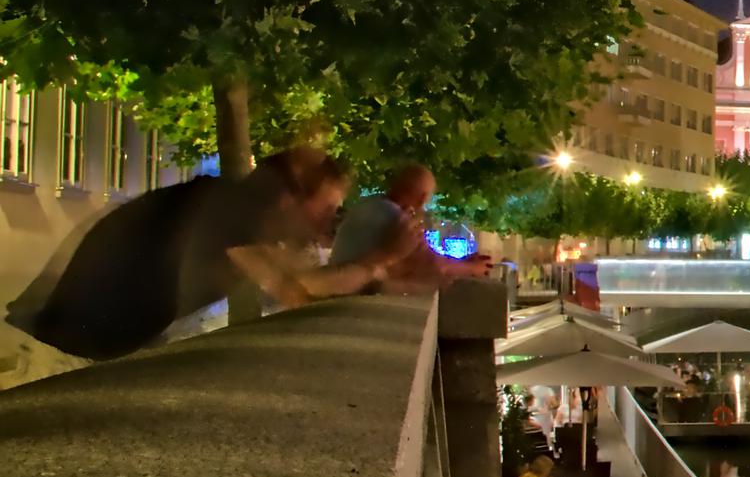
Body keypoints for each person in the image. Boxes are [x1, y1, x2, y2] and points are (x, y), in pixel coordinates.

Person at [7, 148, 388, 360]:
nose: (326, 222)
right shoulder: (235, 210)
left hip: (70, 347)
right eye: (326, 208)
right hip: (55, 357)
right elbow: (295, 294)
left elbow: (309, 282)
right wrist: (378, 263)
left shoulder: (232, 208)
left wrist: (375, 268)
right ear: (290, 197)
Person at [330, 163, 491, 291]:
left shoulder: (371, 206)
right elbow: (433, 266)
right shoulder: (393, 216)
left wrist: (462, 262)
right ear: (422, 198)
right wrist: (473, 268)